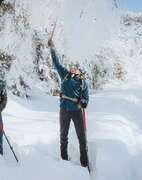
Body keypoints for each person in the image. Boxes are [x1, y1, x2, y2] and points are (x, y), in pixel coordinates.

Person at [48, 38, 89, 167]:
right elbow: (56, 63)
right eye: (71, 67)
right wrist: (52, 48)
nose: (72, 69)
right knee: (63, 135)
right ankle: (64, 159)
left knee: (81, 137)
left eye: (75, 67)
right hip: (64, 110)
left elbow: (86, 97)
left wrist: (84, 102)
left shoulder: (82, 82)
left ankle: (84, 162)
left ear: (78, 69)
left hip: (77, 111)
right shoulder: (64, 75)